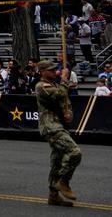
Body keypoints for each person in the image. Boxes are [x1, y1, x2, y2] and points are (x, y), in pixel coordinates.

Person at [35, 60, 82, 207]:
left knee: (57, 161)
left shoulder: (54, 84)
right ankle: (63, 182)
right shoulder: (41, 86)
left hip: (59, 124)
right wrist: (64, 78)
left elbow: (65, 101)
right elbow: (61, 93)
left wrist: (68, 112)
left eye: (55, 69)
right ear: (42, 72)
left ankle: (53, 196)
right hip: (51, 126)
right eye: (50, 70)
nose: (54, 72)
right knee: (75, 152)